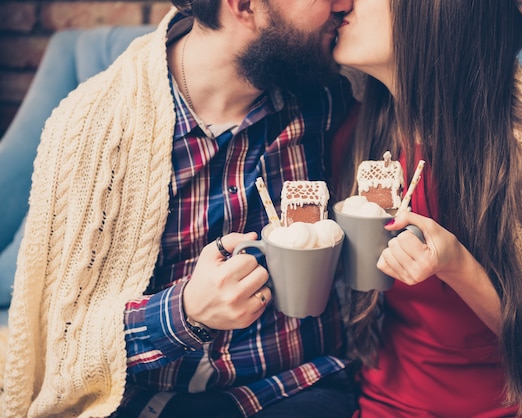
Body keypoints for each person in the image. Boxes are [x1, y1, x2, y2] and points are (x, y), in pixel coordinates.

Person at [1, 0, 358, 416]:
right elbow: (66, 347)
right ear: (244, 5)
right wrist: (186, 312)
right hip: (146, 402)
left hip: (296, 388)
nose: (343, 4)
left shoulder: (327, 98)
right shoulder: (93, 131)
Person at [331, 0, 522, 417]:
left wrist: (455, 264)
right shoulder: (353, 140)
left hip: (515, 407)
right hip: (384, 403)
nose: (341, 3)